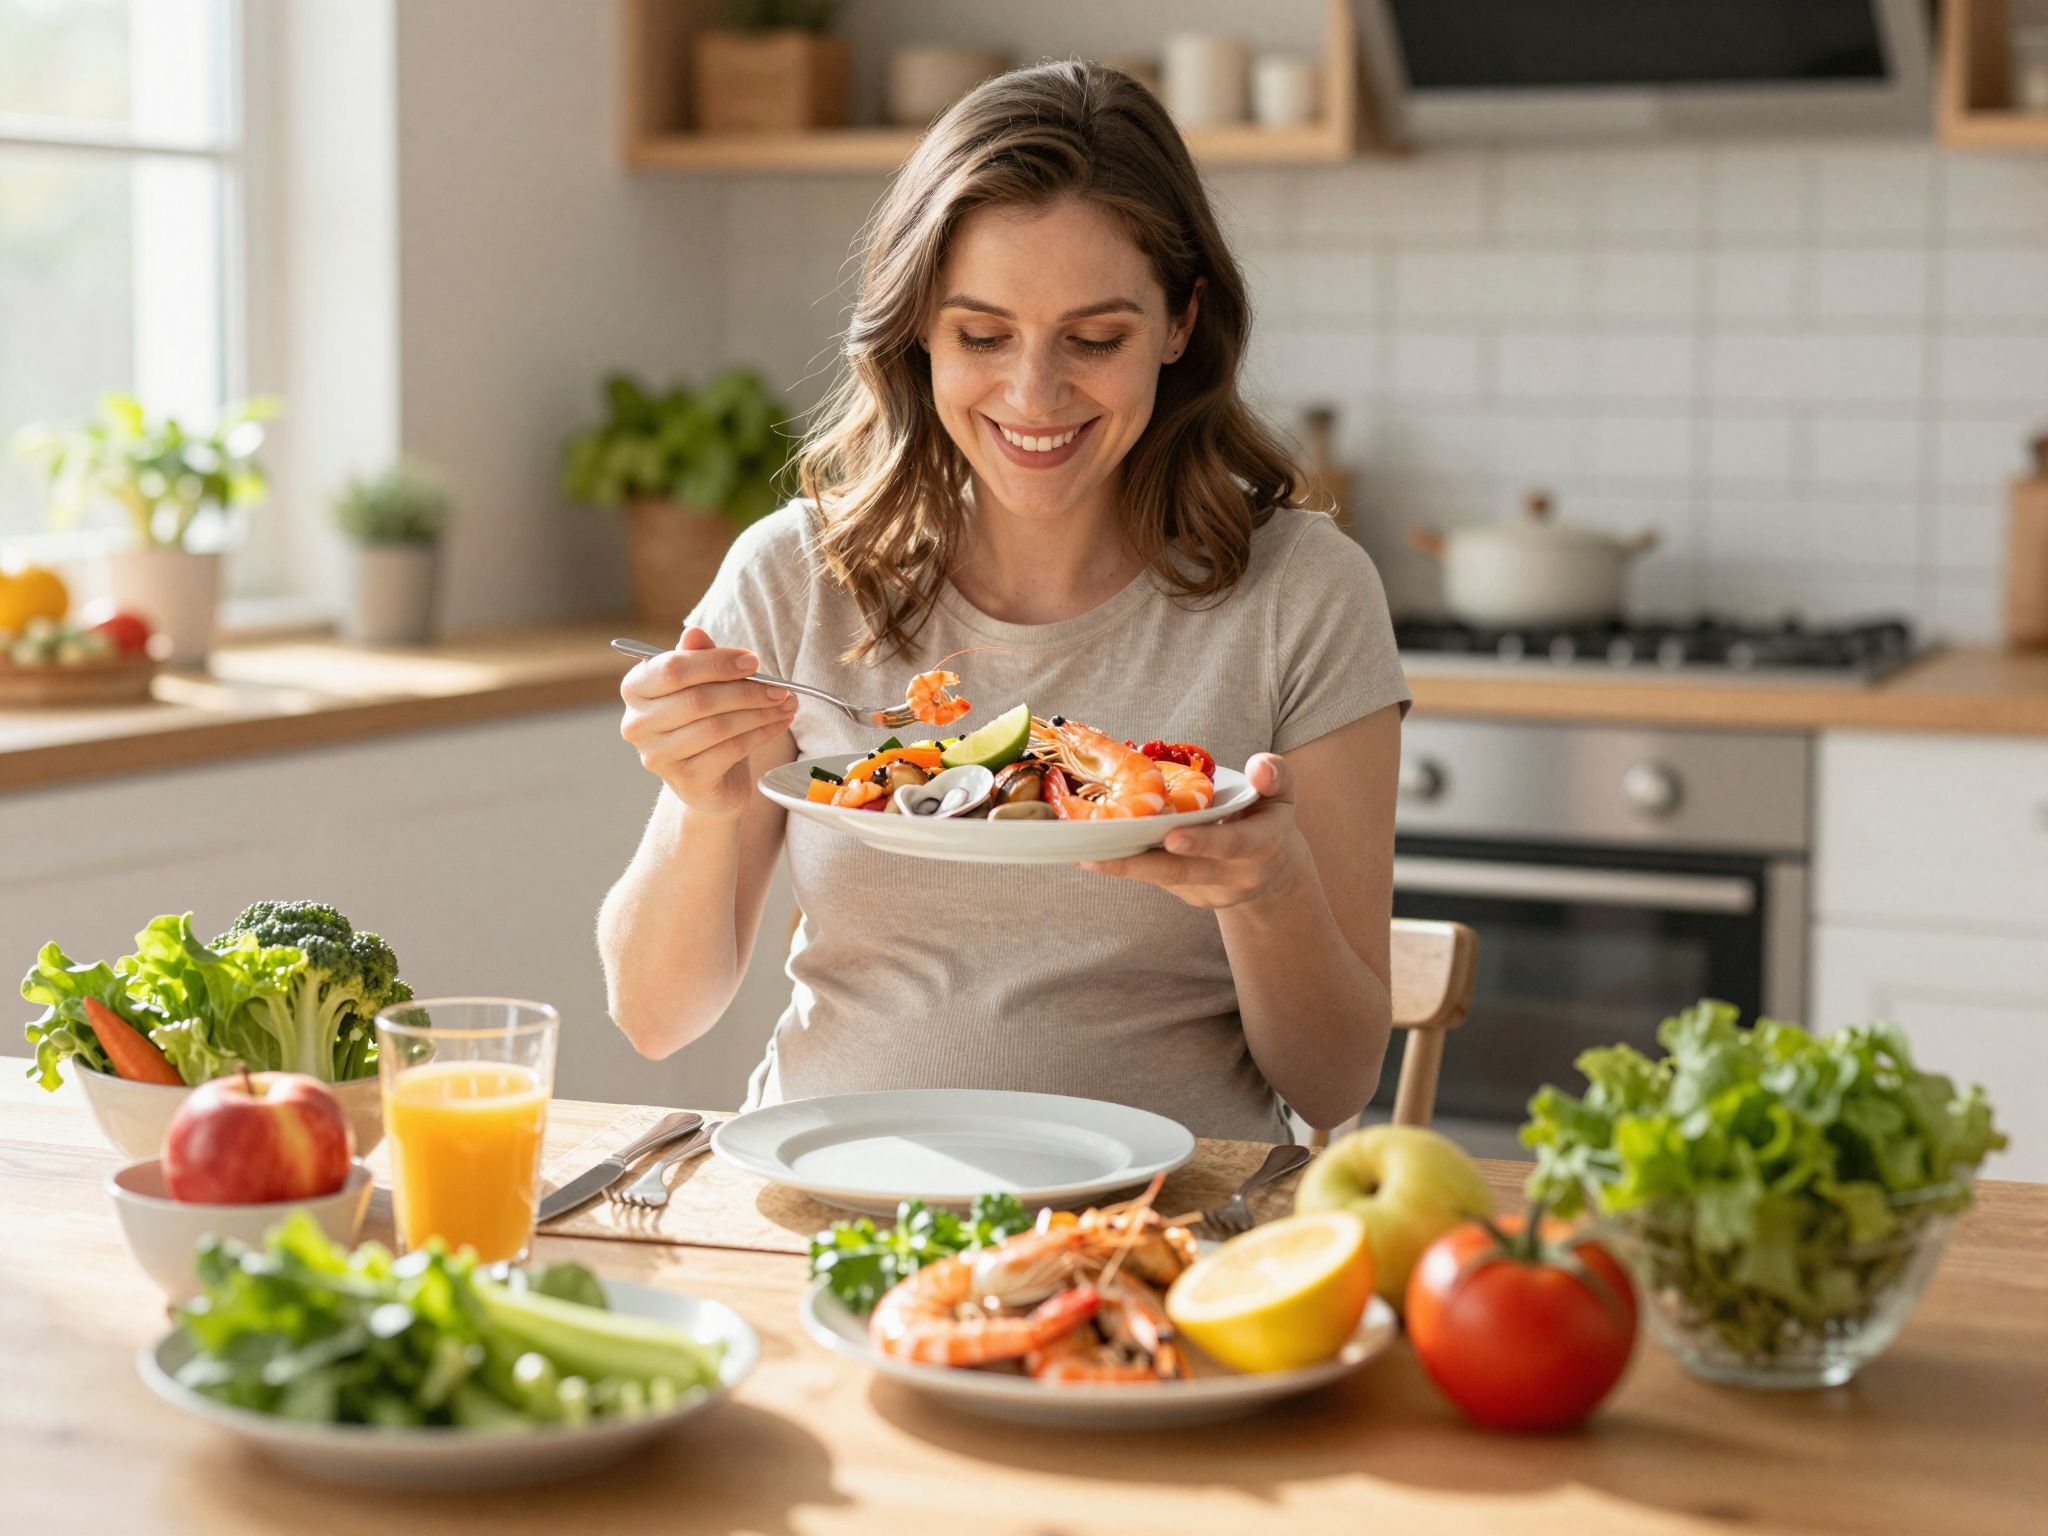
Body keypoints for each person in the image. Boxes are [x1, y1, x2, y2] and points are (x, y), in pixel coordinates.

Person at [598, 61, 1408, 1142]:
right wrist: (703, 805)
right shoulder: (794, 576)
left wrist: (1269, 889)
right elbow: (654, 1018)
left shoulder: (1303, 593)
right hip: (831, 1183)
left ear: (1180, 323)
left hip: (1161, 1211)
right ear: (919, 330)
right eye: (981, 336)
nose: (1034, 395)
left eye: (1095, 339)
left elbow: (1333, 1082)